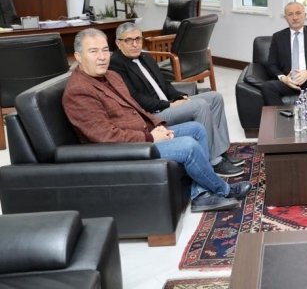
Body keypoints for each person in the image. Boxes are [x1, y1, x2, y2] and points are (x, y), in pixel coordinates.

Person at [62, 28, 252, 213]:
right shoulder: (79, 91)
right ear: (78, 56)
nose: (102, 57)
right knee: (188, 145)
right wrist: (151, 138)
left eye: (105, 50)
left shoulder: (111, 76)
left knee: (196, 129)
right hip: (125, 148)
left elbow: (137, 109)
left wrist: (159, 127)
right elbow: (106, 137)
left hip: (144, 133)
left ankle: (200, 194)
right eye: (93, 51)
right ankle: (224, 189)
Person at [109, 22, 243, 178]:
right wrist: (170, 104)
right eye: (129, 40)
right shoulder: (116, 65)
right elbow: (135, 98)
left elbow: (164, 83)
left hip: (168, 104)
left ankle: (220, 150)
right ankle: (213, 161)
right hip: (153, 114)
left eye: (138, 39)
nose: (135, 44)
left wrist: (179, 96)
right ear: (118, 43)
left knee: (215, 97)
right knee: (200, 106)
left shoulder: (145, 56)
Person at [261, 1, 307, 105]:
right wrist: (284, 78)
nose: (294, 17)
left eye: (298, 13)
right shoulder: (278, 37)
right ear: (285, 18)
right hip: (288, 83)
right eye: (290, 14)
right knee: (267, 86)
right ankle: (284, 115)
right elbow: (271, 65)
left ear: (305, 15)